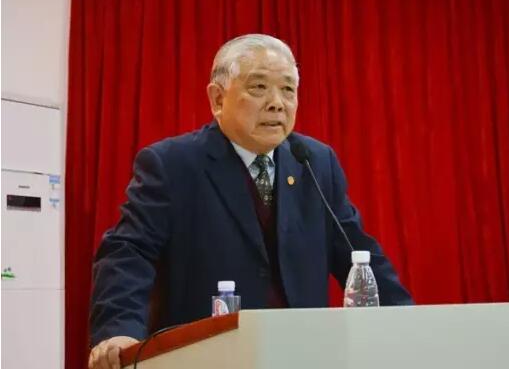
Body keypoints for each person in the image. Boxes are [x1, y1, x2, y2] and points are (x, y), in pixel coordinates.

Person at [88, 34, 413, 369]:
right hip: (208, 357)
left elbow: (356, 249)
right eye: (259, 87)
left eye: (288, 89)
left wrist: (408, 323)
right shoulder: (173, 164)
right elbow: (129, 252)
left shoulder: (314, 162)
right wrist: (119, 329)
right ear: (217, 98)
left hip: (302, 355)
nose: (277, 103)